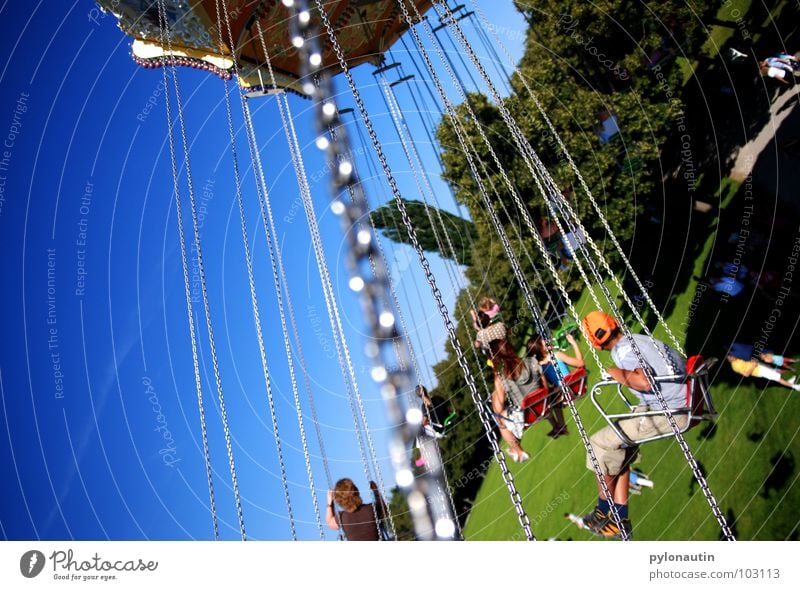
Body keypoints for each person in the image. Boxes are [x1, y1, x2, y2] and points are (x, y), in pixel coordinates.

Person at [579, 311, 688, 539]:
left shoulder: (623, 351)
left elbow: (643, 382)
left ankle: (602, 512)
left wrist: (614, 372)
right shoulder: (639, 339)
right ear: (614, 324)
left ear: (595, 342)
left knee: (597, 444)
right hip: (681, 400)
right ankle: (620, 519)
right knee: (620, 448)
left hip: (670, 412)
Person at [489, 339, 549, 462]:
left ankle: (517, 449)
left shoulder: (502, 376)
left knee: (499, 418)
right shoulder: (530, 361)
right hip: (544, 405)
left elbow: (499, 408)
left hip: (527, 415)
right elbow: (544, 384)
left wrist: (495, 376)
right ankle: (516, 446)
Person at [527, 332, 585, 438]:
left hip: (570, 388)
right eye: (543, 341)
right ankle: (560, 426)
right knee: (549, 398)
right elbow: (580, 363)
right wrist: (573, 343)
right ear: (539, 347)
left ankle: (559, 426)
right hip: (571, 388)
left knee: (548, 399)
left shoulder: (540, 367)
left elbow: (581, 365)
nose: (546, 340)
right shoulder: (556, 355)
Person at [726, 355, 800, 391]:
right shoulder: (735, 367)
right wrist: (753, 366)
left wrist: (752, 362)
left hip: (759, 366)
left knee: (776, 372)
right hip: (759, 371)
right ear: (729, 360)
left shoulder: (737, 360)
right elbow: (746, 374)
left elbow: (746, 364)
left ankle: (789, 383)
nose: (733, 356)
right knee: (778, 378)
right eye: (731, 357)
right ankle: (795, 387)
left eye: (732, 355)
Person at [728, 342, 797, 369]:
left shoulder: (735, 345)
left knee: (779, 358)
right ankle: (788, 368)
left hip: (755, 351)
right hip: (754, 357)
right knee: (777, 362)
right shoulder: (732, 353)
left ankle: (793, 361)